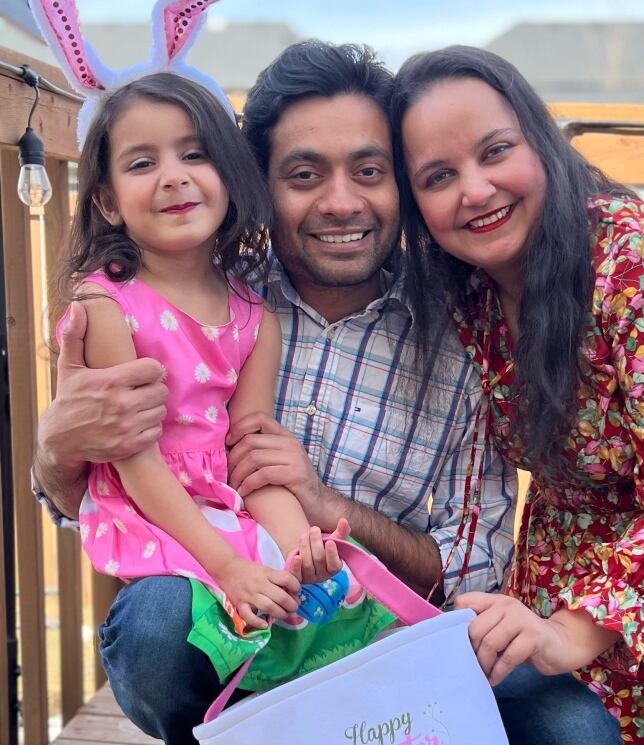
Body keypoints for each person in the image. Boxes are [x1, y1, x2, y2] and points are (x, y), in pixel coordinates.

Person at [34, 42, 524, 744]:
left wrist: (324, 514)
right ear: (258, 182)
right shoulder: (195, 286)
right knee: (155, 627)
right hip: (232, 632)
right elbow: (102, 482)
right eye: (304, 173)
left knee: (568, 717)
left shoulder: (463, 334)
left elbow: (476, 561)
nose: (340, 201)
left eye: (369, 171)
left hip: (380, 642)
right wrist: (55, 448)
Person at [392, 45, 644, 744]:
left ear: (540, 141)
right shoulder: (469, 292)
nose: (475, 190)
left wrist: (573, 627)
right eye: (439, 175)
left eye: (495, 151)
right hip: (554, 605)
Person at [56, 67, 394, 685]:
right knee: (192, 618)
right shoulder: (107, 307)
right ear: (106, 200)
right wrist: (226, 566)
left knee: (319, 590)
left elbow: (251, 455)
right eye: (141, 164)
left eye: (194, 154)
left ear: (231, 179)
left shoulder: (253, 317)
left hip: (229, 505)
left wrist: (299, 547)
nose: (174, 176)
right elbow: (135, 461)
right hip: (158, 507)